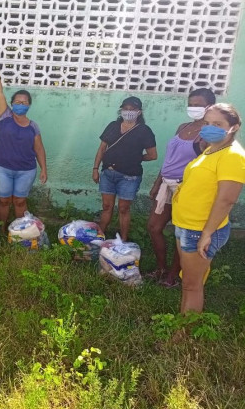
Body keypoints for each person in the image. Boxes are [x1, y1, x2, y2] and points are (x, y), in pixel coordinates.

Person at [172, 103, 245, 313]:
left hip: (200, 229)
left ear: (234, 127)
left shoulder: (232, 156)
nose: (209, 127)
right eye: (207, 123)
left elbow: (226, 200)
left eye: (217, 124)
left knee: (192, 285)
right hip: (186, 224)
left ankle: (184, 335)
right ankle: (182, 324)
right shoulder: (212, 149)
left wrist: (207, 234)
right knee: (188, 281)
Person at [146, 89, 215, 286]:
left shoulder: (208, 135)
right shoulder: (183, 127)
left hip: (185, 188)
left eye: (198, 104)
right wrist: (158, 183)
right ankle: (161, 267)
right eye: (191, 103)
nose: (193, 108)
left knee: (181, 232)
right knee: (154, 226)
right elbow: (169, 158)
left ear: (210, 107)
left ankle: (173, 275)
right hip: (167, 185)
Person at [92, 96, 157, 241]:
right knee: (107, 206)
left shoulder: (144, 131)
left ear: (139, 112)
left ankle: (123, 240)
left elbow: (153, 155)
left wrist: (136, 158)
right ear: (121, 110)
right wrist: (95, 169)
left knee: (123, 208)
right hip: (108, 173)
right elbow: (102, 148)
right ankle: (99, 237)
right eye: (125, 109)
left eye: (132, 109)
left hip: (130, 176)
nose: (128, 112)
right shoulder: (113, 126)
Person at [0, 58, 47, 225]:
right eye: (17, 102)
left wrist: (44, 169)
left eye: (24, 102)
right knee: (4, 201)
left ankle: (18, 232)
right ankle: (1, 230)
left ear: (29, 105)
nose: (20, 104)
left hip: (26, 170)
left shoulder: (33, 127)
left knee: (20, 202)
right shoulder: (4, 116)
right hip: (2, 168)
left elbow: (39, 149)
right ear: (11, 103)